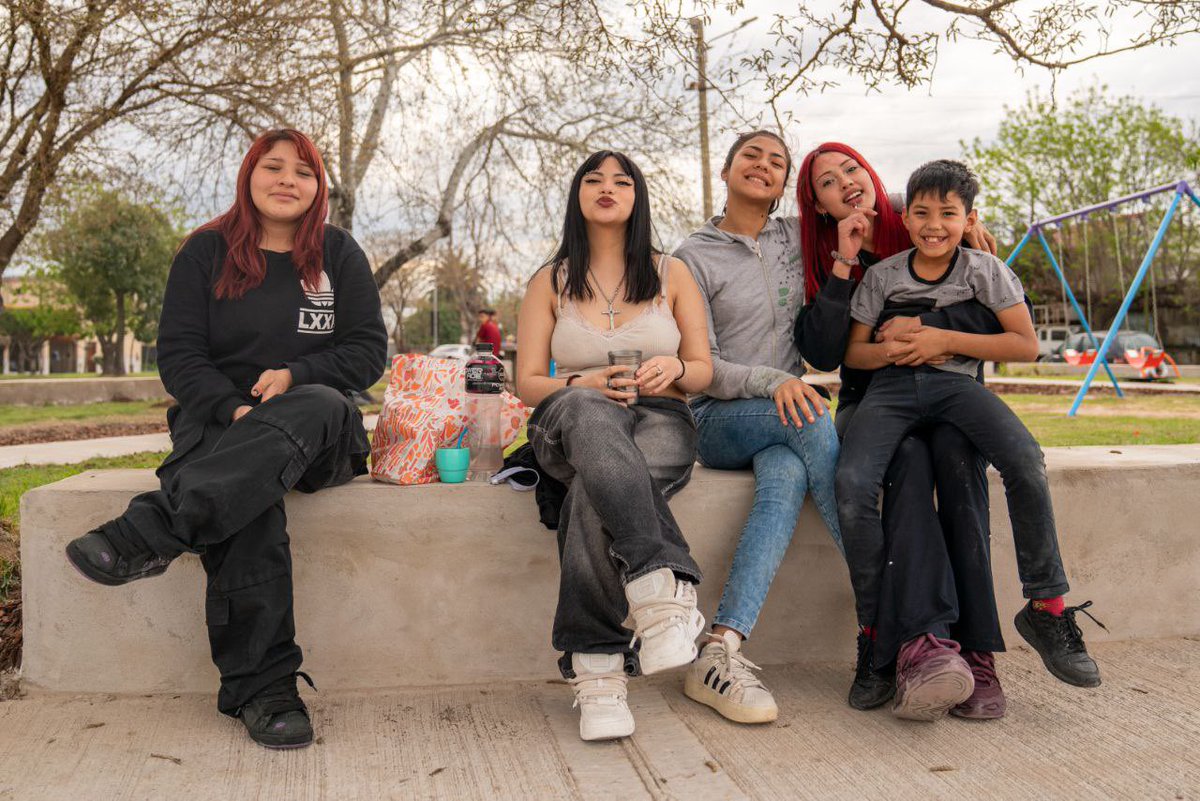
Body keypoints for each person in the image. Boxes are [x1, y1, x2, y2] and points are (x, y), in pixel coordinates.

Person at [64, 129, 388, 749]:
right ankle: (264, 691)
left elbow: (369, 352)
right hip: (219, 424)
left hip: (319, 426)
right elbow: (180, 358)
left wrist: (299, 374)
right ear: (248, 175)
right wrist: (234, 410)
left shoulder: (338, 253)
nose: (287, 180)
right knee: (250, 504)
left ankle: (151, 531)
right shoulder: (204, 254)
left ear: (319, 187)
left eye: (304, 171)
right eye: (273, 167)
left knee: (315, 403)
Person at [836, 159, 1102, 721]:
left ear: (969, 218)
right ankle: (875, 632)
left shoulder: (984, 270)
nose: (935, 225)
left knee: (1026, 458)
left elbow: (1025, 345)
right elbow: (853, 355)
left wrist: (939, 339)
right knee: (854, 481)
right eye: (923, 213)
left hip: (956, 389)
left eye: (948, 214)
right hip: (891, 390)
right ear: (905, 218)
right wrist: (893, 350)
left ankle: (1047, 605)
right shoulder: (883, 275)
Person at [795, 141, 1011, 719]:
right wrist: (844, 262)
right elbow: (822, 352)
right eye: (826, 182)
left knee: (960, 474)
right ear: (817, 205)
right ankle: (884, 643)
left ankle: (976, 652)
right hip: (874, 403)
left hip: (952, 399)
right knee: (907, 470)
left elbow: (1003, 317)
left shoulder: (926, 224)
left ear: (870, 172)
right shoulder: (822, 255)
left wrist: (927, 326)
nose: (845, 183)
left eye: (851, 169)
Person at [516, 150, 713, 742]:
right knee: (584, 410)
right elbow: (526, 382)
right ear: (577, 195)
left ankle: (597, 668)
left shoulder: (672, 273)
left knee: (588, 497)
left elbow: (702, 369)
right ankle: (659, 587)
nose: (607, 188)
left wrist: (674, 365)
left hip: (659, 416)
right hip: (568, 417)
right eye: (594, 179)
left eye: (622, 180)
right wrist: (583, 382)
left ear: (638, 197)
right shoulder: (547, 281)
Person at [674, 131, 841, 725]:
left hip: (783, 419)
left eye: (777, 161)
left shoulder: (798, 237)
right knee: (812, 422)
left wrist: (969, 229)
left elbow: (870, 204)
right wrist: (771, 382)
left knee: (788, 473)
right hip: (718, 418)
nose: (763, 166)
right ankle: (890, 602)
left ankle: (720, 649)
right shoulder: (691, 256)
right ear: (726, 170)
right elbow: (702, 367)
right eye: (752, 155)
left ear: (783, 184)